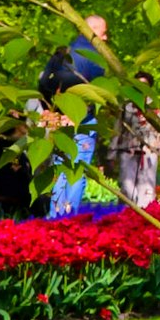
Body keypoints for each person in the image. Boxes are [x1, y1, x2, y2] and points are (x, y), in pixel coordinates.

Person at [39, 15, 108, 217]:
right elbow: (96, 91)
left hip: (59, 119)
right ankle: (69, 218)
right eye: (104, 33)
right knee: (77, 168)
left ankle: (56, 216)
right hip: (82, 120)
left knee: (60, 165)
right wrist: (78, 114)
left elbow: (44, 82)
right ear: (96, 32)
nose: (105, 38)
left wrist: (50, 111)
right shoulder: (96, 58)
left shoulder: (62, 53)